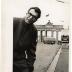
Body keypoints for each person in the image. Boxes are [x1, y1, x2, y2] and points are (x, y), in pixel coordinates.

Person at [13, 7, 41, 72]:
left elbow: (31, 52)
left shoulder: (34, 31)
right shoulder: (13, 21)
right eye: (30, 14)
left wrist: (29, 66)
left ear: (36, 20)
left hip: (19, 61)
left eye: (34, 17)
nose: (30, 18)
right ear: (26, 13)